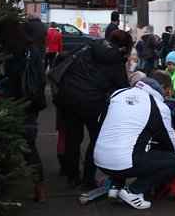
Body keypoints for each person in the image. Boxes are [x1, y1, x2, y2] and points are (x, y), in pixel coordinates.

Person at [93, 72, 175, 210]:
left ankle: (116, 186)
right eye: (168, 90)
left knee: (125, 143)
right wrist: (174, 156)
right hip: (124, 162)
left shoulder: (119, 93)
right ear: (162, 88)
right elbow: (169, 140)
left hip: (100, 160)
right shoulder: (157, 106)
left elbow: (100, 121)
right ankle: (133, 191)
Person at [54, 28, 132, 189]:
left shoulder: (90, 46)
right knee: (95, 140)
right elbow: (123, 88)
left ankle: (72, 177)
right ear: (124, 47)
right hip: (93, 103)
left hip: (69, 97)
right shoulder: (116, 61)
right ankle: (88, 179)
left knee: (72, 139)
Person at [0, 15, 48, 203]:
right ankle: (40, 188)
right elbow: (40, 77)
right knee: (28, 146)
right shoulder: (30, 49)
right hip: (27, 104)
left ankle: (4, 191)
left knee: (3, 146)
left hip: (2, 103)